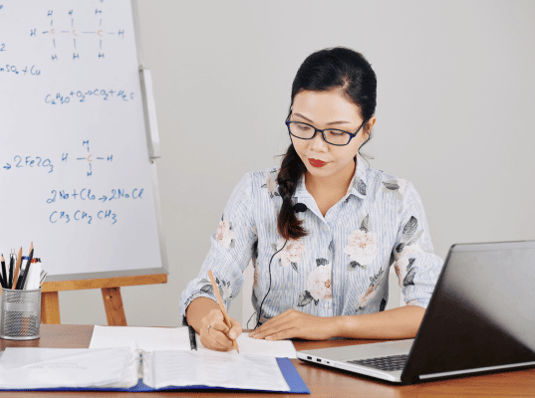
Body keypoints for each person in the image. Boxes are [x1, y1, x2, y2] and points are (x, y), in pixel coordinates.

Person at [180, 47, 443, 351]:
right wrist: (208, 321)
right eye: (303, 126)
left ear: (366, 129)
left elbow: (427, 310)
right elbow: (204, 289)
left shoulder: (396, 199)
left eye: (335, 133)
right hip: (276, 363)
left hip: (360, 369)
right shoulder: (257, 192)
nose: (316, 147)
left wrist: (333, 326)